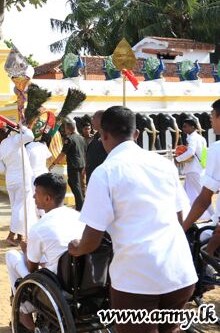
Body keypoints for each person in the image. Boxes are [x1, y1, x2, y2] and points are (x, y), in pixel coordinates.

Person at [69, 106, 197, 333]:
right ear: (137, 134)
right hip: (180, 270)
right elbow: (179, 218)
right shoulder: (164, 165)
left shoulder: (105, 172)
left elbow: (92, 239)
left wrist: (77, 248)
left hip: (138, 277)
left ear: (103, 136)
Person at [6, 173, 84, 330]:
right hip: (84, 281)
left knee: (12, 256)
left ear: (48, 199)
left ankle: (24, 312)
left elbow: (31, 269)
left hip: (56, 286)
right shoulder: (80, 218)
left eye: (37, 193)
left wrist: (27, 250)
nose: (34, 196)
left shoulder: (40, 227)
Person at [183, 99, 220, 254]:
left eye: (212, 116)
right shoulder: (203, 139)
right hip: (199, 170)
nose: (211, 121)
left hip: (196, 170)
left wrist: (182, 227)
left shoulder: (217, 149)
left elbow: (204, 199)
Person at [0, 125, 37, 246]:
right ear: (8, 133)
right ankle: (11, 235)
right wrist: (22, 127)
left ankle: (20, 236)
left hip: (10, 180)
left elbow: (0, 169)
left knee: (16, 208)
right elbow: (30, 136)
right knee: (21, 207)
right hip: (23, 178)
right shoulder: (15, 139)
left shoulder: (0, 149)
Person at [176, 118, 213, 220]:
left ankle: (214, 216)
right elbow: (205, 154)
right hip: (198, 169)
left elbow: (191, 152)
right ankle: (189, 216)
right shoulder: (201, 138)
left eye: (185, 126)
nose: (183, 128)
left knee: (202, 196)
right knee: (185, 194)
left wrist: (178, 159)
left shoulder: (192, 138)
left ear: (192, 127)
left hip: (193, 170)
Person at [51, 119, 86, 210]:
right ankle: (81, 203)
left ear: (68, 128)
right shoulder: (81, 138)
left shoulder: (69, 139)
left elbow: (62, 153)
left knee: (75, 185)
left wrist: (53, 163)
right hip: (82, 165)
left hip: (73, 165)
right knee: (78, 185)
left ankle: (80, 206)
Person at [85, 111, 107, 185]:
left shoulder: (107, 137)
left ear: (100, 120)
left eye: (94, 118)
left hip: (101, 179)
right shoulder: (97, 135)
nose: (91, 120)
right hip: (92, 177)